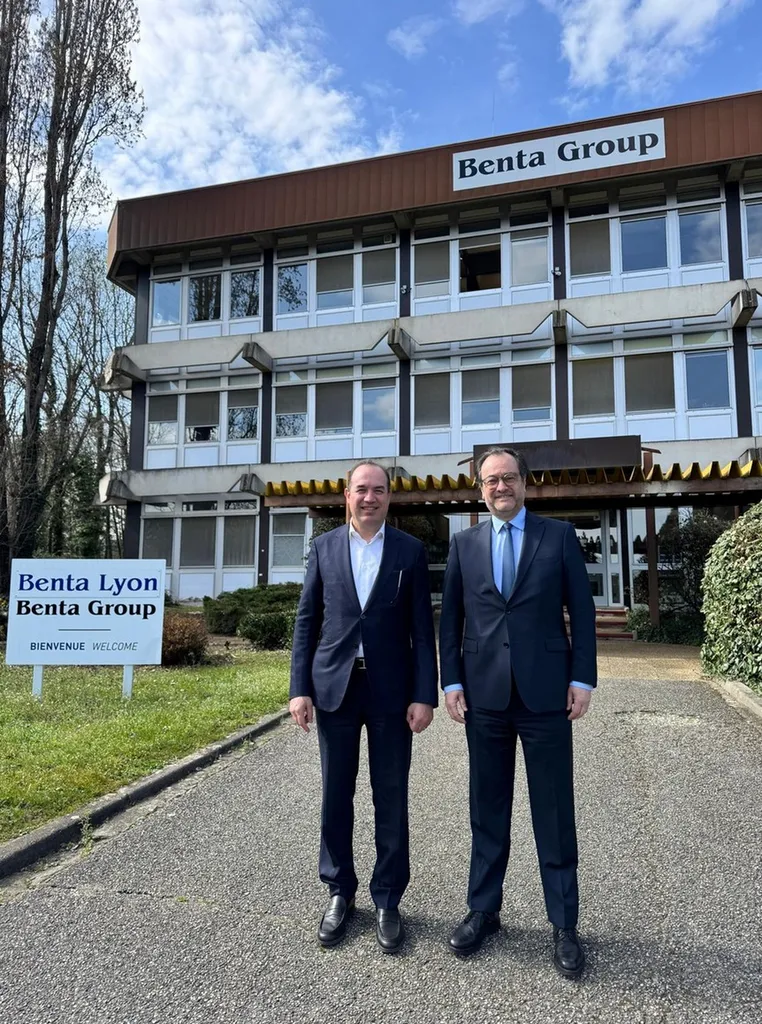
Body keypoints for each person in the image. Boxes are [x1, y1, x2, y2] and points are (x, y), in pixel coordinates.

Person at [439, 446, 596, 978]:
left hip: (546, 694)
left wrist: (582, 678)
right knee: (487, 809)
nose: (500, 486)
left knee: (554, 811)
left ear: (526, 483)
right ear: (480, 489)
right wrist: (451, 681)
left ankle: (564, 923)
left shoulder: (559, 536)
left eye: (508, 477)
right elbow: (451, 620)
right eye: (490, 480)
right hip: (484, 697)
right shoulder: (464, 544)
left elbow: (582, 611)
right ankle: (484, 911)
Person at [289, 459, 438, 954]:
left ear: (388, 497)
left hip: (391, 692)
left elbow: (422, 630)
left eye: (378, 490)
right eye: (361, 489)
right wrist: (298, 688)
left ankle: (388, 898)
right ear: (346, 497)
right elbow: (307, 622)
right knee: (336, 793)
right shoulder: (324, 548)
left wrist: (424, 694)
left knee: (390, 796)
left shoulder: (410, 551)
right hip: (335, 689)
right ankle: (339, 890)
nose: (369, 497)